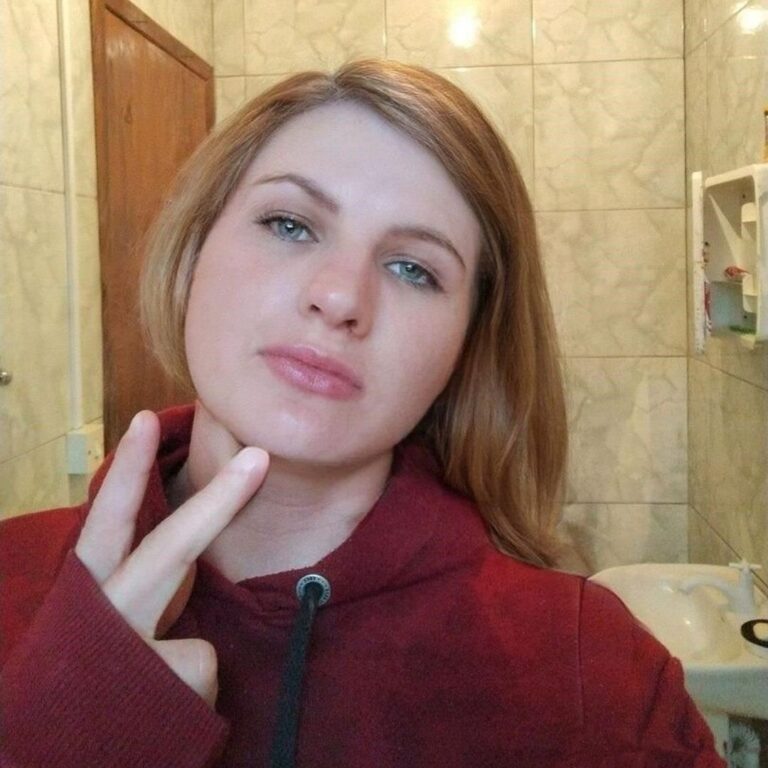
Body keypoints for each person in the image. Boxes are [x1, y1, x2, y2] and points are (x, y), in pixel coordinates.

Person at [1, 59, 723, 768]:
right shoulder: (11, 574)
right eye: (289, 224)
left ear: (467, 346)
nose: (341, 297)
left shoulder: (592, 675)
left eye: (414, 269)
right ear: (193, 249)